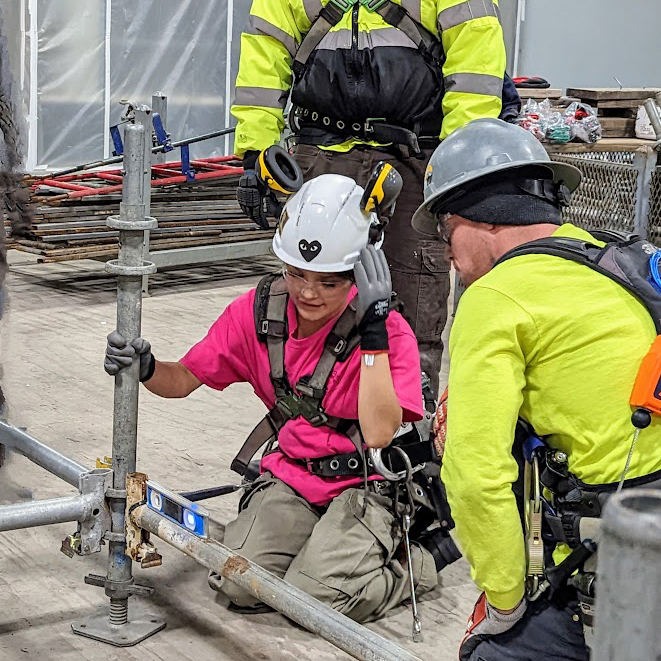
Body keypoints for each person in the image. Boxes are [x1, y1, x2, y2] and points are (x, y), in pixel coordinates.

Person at [104, 172, 443, 621]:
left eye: (329, 281)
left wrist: (375, 332)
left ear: (359, 273)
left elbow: (380, 433)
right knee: (235, 582)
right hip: (295, 476)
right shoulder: (259, 312)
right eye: (296, 274)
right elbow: (185, 376)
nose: (307, 292)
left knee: (316, 600)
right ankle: (319, 550)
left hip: (366, 484)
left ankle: (424, 560)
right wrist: (146, 368)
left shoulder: (387, 332)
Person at [412, 118, 661, 660]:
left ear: (481, 219)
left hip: (632, 561)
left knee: (491, 651)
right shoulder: (620, 261)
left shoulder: (495, 296)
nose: (447, 252)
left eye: (445, 229)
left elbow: (475, 474)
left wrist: (504, 601)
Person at [232, 0, 519, 396]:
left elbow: (474, 67)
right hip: (322, 153)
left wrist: (458, 164)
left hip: (416, 157)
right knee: (314, 301)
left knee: (414, 303)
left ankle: (406, 436)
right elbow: (265, 52)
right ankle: (308, 431)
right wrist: (255, 151)